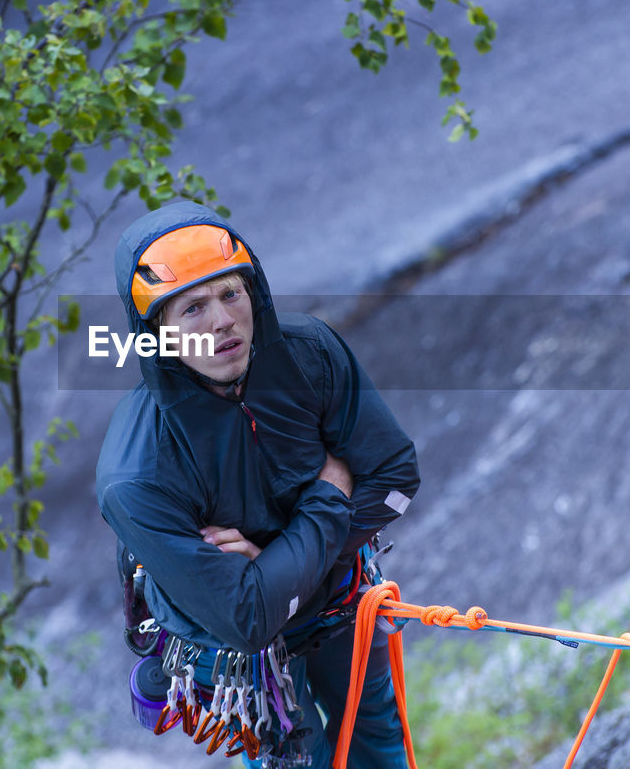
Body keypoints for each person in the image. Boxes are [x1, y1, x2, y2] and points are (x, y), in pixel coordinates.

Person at [96, 202, 420, 768]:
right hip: (238, 652)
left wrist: (274, 561)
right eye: (192, 307)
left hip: (340, 605)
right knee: (297, 761)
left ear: (255, 294)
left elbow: (395, 477)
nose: (221, 321)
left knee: (377, 739)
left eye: (230, 294)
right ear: (157, 334)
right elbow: (246, 619)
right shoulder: (139, 472)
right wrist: (330, 493)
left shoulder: (308, 355)